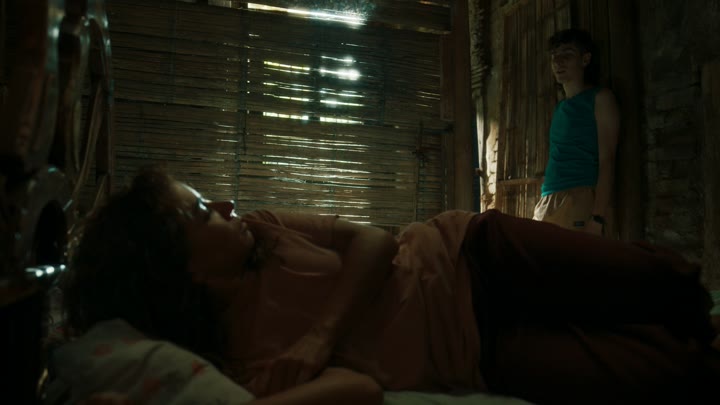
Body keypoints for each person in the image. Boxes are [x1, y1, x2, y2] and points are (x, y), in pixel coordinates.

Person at [62, 167, 719, 405]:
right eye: (202, 209)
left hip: (471, 255)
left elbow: (376, 241)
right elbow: (362, 391)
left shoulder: (264, 228)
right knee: (671, 374)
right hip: (476, 351)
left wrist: (321, 336)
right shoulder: (237, 362)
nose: (226, 205)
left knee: (667, 282)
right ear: (180, 267)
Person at [533, 29, 620, 237]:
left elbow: (607, 159)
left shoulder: (600, 98)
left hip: (579, 197)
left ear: (585, 59)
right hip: (548, 199)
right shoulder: (560, 108)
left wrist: (597, 217)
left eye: (567, 54)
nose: (558, 62)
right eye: (554, 56)